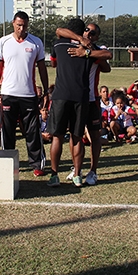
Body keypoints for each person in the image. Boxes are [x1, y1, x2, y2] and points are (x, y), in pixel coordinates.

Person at [0, 11, 49, 177]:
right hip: (8, 93)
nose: (21, 28)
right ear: (13, 24)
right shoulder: (3, 42)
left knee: (32, 131)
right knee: (8, 131)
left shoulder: (36, 42)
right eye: (18, 25)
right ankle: (8, 162)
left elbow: (42, 68)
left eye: (24, 25)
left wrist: (45, 90)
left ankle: (37, 163)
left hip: (29, 94)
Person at [56, 22, 111, 185]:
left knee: (95, 135)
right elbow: (59, 30)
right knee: (75, 135)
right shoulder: (73, 43)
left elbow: (107, 59)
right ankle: (76, 168)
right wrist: (79, 38)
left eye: (93, 33)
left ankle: (93, 171)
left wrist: (87, 53)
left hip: (91, 98)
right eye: (86, 30)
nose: (89, 34)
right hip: (75, 98)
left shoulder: (96, 49)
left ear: (97, 37)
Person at [47, 18, 91, 188]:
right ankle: (78, 175)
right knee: (77, 137)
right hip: (81, 96)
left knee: (57, 137)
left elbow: (53, 63)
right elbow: (104, 58)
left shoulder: (58, 45)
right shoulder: (89, 47)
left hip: (61, 95)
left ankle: (54, 175)